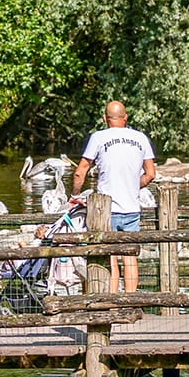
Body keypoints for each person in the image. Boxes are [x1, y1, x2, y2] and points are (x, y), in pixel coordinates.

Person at [71, 100, 156, 292]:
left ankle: (112, 301)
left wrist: (74, 194)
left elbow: (80, 171)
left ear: (104, 119)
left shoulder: (98, 137)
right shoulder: (140, 138)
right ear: (125, 118)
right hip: (132, 207)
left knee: (110, 257)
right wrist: (133, 186)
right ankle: (131, 301)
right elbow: (150, 174)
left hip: (106, 210)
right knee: (130, 257)